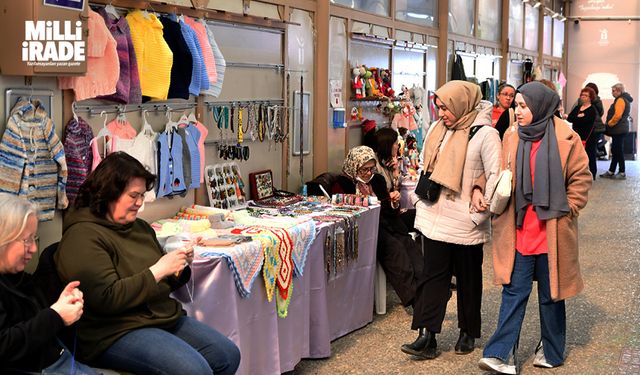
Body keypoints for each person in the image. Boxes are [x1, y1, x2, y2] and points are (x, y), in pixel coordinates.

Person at [55, 152, 240, 374]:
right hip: (112, 330)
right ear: (108, 194)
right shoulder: (82, 237)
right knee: (194, 371)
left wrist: (178, 267)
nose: (140, 203)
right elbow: (106, 299)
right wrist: (159, 271)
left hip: (156, 316)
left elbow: (161, 281)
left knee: (227, 355)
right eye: (134, 195)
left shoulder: (140, 228)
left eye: (142, 195)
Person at [478, 81, 592, 374]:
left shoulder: (568, 138)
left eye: (523, 106)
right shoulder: (512, 136)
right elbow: (499, 171)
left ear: (539, 106)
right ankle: (500, 354)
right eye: (516, 105)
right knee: (513, 291)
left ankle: (552, 351)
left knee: (551, 294)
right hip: (518, 229)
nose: (517, 111)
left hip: (553, 230)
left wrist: (569, 208)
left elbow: (581, 178)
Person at [401, 80, 502, 360]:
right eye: (439, 107)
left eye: (446, 107)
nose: (442, 113)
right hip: (435, 217)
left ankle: (468, 331)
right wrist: (421, 202)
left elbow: (496, 175)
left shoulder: (485, 134)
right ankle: (426, 335)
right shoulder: (437, 129)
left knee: (469, 279)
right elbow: (425, 166)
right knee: (432, 277)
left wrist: (479, 210)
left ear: (461, 104)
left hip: (466, 221)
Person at [0, 193, 98, 374]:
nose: (34, 248)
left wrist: (64, 303)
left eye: (34, 238)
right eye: (27, 240)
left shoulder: (18, 278)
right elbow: (5, 346)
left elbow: (41, 319)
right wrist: (56, 315)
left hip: (57, 359)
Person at [332, 145, 422, 307]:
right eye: (363, 169)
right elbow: (342, 208)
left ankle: (426, 286)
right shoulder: (342, 183)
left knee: (408, 242)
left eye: (371, 169)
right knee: (394, 249)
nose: (368, 173)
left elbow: (388, 209)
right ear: (354, 166)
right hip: (365, 228)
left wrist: (393, 202)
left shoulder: (377, 180)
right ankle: (414, 297)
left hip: (386, 221)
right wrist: (367, 203)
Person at [601, 82, 633, 180]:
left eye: (613, 91)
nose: (612, 93)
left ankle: (622, 172)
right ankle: (611, 171)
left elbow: (618, 115)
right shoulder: (623, 99)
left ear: (619, 91)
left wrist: (609, 123)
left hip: (619, 129)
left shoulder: (620, 100)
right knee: (616, 150)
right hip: (620, 129)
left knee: (618, 150)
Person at [567, 87, 598, 179]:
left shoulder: (592, 110)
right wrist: (579, 117)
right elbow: (570, 118)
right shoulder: (577, 107)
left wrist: (578, 118)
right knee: (577, 157)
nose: (583, 97)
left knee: (590, 156)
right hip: (577, 136)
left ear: (590, 98)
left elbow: (585, 121)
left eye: (586, 95)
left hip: (588, 137)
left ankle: (592, 174)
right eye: (582, 95)